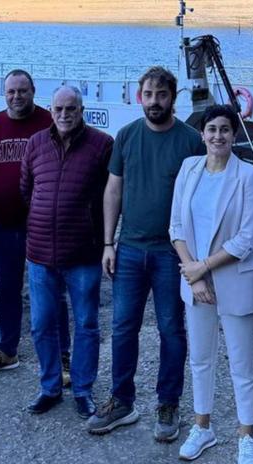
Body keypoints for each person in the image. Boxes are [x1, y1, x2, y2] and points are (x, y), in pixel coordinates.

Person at [87, 66, 204, 441]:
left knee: (171, 329)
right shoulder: (126, 137)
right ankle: (122, 401)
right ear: (140, 97)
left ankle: (168, 402)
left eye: (161, 95)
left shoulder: (191, 141)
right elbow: (113, 192)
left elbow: (202, 199)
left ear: (173, 97)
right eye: (148, 95)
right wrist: (108, 243)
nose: (154, 102)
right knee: (123, 327)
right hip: (131, 249)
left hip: (172, 254)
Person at [169, 105, 253, 464]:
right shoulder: (189, 169)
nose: (218, 136)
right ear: (203, 133)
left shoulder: (249, 176)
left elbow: (247, 238)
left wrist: (202, 269)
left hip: (233, 281)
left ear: (234, 135)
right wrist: (193, 275)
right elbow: (176, 225)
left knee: (243, 364)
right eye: (211, 129)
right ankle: (202, 426)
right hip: (195, 282)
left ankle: (247, 435)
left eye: (225, 130)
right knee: (201, 358)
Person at [0, 70, 73, 387]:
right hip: (0, 227)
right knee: (5, 289)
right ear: (4, 94)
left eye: (23, 91)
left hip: (42, 227)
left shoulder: (49, 122)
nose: (17, 97)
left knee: (52, 291)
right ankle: (7, 350)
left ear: (33, 91)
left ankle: (63, 357)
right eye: (11, 91)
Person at [19, 86, 113, 418]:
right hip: (40, 254)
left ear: (81, 109)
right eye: (58, 108)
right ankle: (50, 387)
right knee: (42, 323)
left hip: (83, 255)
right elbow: (26, 190)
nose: (63, 114)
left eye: (70, 108)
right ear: (50, 109)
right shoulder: (35, 143)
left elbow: (110, 197)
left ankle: (83, 389)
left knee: (86, 323)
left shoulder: (102, 145)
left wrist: (104, 242)